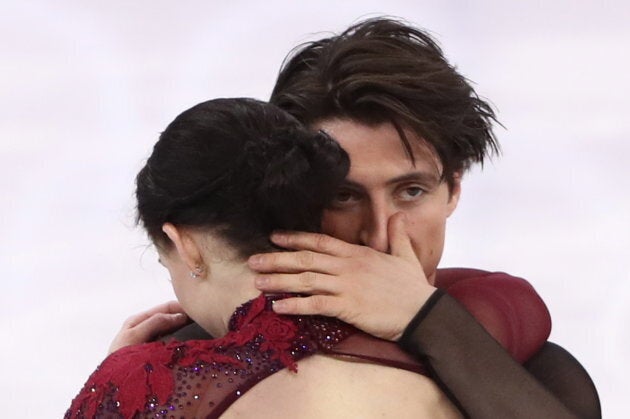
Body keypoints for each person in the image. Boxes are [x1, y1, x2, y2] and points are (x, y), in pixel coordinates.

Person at [110, 18, 601, 418]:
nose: (380, 235)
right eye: (344, 196)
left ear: (453, 189)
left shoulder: (532, 367)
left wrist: (425, 320)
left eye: (410, 191)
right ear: (292, 193)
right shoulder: (183, 363)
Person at [67, 98, 470, 418]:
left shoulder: (151, 385)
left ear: (184, 244)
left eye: (163, 261)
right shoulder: (450, 357)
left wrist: (118, 388)